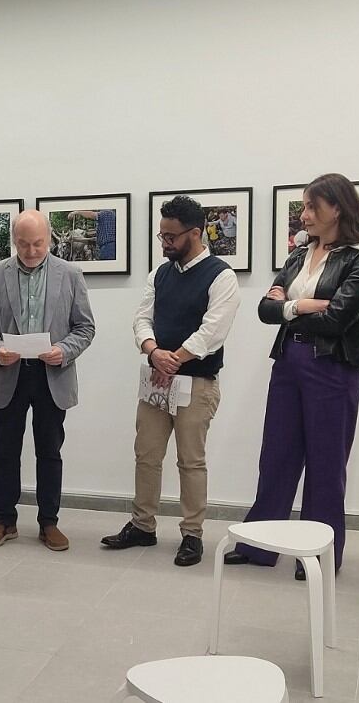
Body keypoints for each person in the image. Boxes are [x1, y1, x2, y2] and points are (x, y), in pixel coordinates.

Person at [224, 173, 359, 578]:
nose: (304, 215)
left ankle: (318, 555)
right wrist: (302, 306)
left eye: (311, 206)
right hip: (289, 359)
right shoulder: (297, 256)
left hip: (332, 366)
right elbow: (264, 310)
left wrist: (288, 302)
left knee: (326, 464)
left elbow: (339, 318)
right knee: (277, 455)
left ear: (336, 208)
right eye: (304, 206)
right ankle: (259, 547)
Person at [100, 195, 240, 566]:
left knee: (190, 461)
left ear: (195, 233)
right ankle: (142, 525)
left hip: (196, 384)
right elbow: (141, 318)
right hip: (156, 381)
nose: (164, 243)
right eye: (161, 235)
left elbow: (213, 331)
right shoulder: (159, 274)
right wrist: (152, 351)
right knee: (146, 455)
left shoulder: (221, 276)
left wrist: (173, 359)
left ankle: (192, 535)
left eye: (171, 237)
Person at [0, 210, 95, 551]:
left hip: (51, 376)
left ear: (50, 239)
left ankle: (49, 523)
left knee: (50, 451)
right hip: (9, 375)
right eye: (24, 244)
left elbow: (86, 327)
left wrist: (64, 350)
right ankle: (4, 520)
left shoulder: (70, 274)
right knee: (5, 451)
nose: (30, 251)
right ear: (15, 241)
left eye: (38, 244)